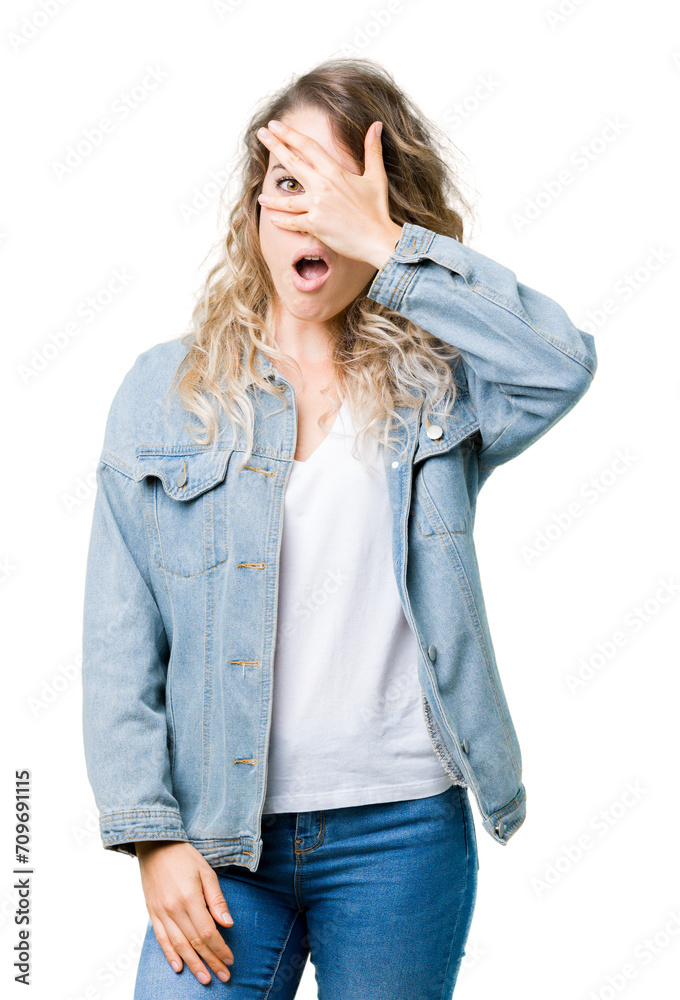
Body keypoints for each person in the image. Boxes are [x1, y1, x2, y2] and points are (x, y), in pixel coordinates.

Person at [81, 58, 597, 998]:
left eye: (335, 188)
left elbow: (559, 365)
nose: (307, 214)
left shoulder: (438, 382)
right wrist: (151, 837)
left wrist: (390, 247)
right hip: (221, 836)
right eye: (286, 183)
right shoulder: (164, 393)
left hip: (403, 832)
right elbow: (119, 639)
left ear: (382, 208)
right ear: (251, 214)